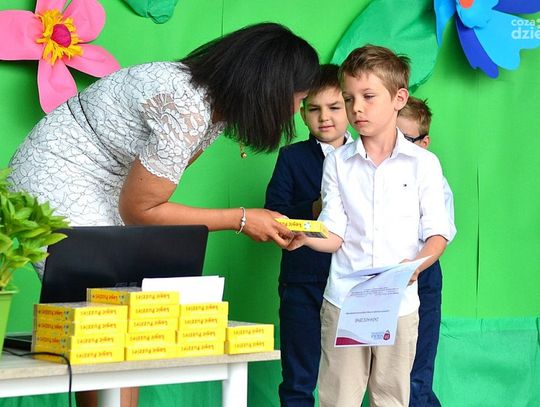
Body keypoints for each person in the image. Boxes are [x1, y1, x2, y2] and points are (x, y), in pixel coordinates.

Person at [7, 22, 319, 407]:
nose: (296, 110)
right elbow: (142, 210)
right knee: (101, 314)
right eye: (299, 98)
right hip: (58, 171)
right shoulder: (186, 107)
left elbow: (150, 192)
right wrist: (241, 219)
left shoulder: (210, 104)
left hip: (106, 179)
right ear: (270, 88)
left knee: (124, 310)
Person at [286, 45, 451, 407]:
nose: (356, 108)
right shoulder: (337, 163)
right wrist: (306, 236)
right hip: (345, 300)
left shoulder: (424, 164)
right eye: (349, 98)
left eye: (368, 97)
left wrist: (416, 266)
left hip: (399, 303)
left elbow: (438, 233)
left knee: (391, 398)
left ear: (398, 99)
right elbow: (334, 232)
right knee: (337, 398)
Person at [264, 64, 352, 407]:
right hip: (302, 282)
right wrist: (313, 209)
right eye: (314, 109)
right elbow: (274, 213)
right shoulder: (292, 158)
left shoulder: (367, 157)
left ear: (350, 107)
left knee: (348, 376)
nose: (324, 117)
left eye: (334, 107)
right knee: (299, 377)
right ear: (302, 114)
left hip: (353, 281)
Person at [397, 96, 457, 407]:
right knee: (386, 372)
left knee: (416, 371)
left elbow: (442, 233)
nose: (397, 146)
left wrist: (416, 266)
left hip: (423, 275)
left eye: (406, 139)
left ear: (424, 142)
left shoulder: (433, 177)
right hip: (383, 275)